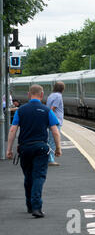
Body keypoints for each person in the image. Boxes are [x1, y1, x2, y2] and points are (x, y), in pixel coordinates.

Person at [6, 84, 62, 218]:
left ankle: (30, 206)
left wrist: (8, 149)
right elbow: (55, 131)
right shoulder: (47, 111)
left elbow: (13, 130)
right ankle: (37, 207)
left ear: (28, 94)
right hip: (41, 148)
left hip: (24, 148)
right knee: (39, 177)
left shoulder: (21, 110)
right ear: (42, 95)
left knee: (28, 176)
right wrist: (58, 148)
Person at [46, 81, 65, 166]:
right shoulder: (58, 96)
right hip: (55, 121)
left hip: (52, 121)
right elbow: (52, 108)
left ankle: (49, 158)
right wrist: (51, 119)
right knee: (53, 141)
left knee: (50, 140)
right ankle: (50, 159)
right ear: (62, 89)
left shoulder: (51, 95)